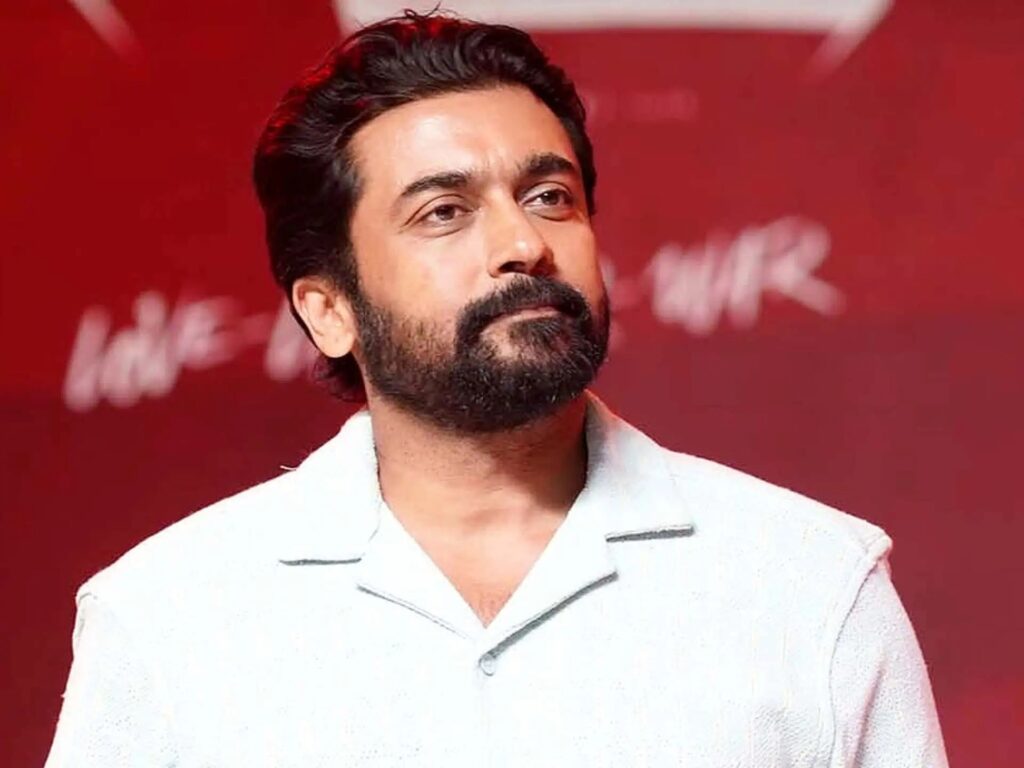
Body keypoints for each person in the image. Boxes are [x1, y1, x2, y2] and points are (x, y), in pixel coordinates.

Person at [45, 11, 948, 767]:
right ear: (328, 311)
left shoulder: (810, 585)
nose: (523, 245)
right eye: (444, 212)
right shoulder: (170, 617)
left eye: (550, 196)